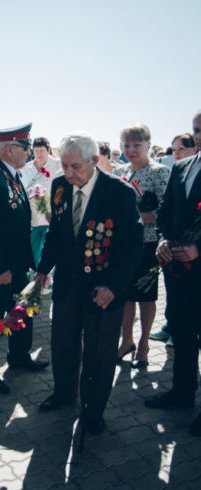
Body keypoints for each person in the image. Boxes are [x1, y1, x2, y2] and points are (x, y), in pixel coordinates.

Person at [35, 134, 143, 434]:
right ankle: (63, 394)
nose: (68, 173)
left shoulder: (118, 193)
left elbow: (132, 246)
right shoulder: (59, 186)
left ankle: (93, 410)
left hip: (103, 289)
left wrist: (114, 286)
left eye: (75, 167)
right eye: (65, 165)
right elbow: (56, 233)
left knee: (99, 352)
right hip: (68, 283)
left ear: (94, 162)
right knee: (63, 343)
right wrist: (43, 269)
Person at [0, 123, 48, 395]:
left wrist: (29, 264)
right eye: (25, 148)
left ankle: (19, 357)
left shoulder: (10, 175)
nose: (29, 153)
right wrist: (0, 267)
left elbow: (19, 221)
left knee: (22, 311)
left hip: (17, 265)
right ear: (11, 149)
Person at [145, 111, 201, 436]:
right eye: (196, 131)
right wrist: (164, 240)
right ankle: (182, 393)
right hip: (177, 268)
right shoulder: (182, 166)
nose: (199, 136)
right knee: (181, 331)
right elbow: (165, 212)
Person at [113, 125, 170, 368]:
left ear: (148, 144)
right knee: (125, 295)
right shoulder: (119, 171)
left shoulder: (159, 172)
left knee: (146, 296)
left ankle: (144, 345)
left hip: (148, 244)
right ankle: (127, 341)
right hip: (123, 245)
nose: (131, 150)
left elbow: (167, 213)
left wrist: (139, 216)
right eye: (126, 145)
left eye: (137, 144)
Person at [150, 132, 198, 344]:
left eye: (181, 148)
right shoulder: (179, 169)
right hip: (176, 260)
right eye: (174, 149)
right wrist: (163, 239)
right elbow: (166, 210)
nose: (177, 154)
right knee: (183, 338)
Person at [21, 137, 61, 268]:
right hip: (33, 217)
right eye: (36, 150)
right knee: (32, 252)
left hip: (51, 216)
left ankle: (48, 283)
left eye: (42, 150)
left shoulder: (57, 165)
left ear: (48, 150)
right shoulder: (26, 168)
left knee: (48, 251)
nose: (39, 153)